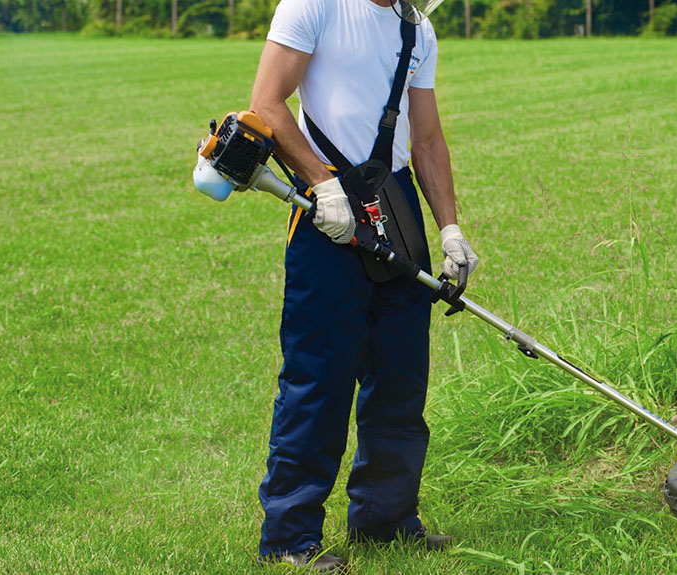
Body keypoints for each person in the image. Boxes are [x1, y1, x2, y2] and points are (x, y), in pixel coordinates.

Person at [248, 0, 478, 569]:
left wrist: (449, 227)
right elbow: (267, 107)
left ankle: (386, 520)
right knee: (319, 377)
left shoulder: (415, 28)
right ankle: (289, 540)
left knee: (400, 376)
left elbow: (425, 140)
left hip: (395, 208)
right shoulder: (313, 5)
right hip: (325, 209)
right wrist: (322, 185)